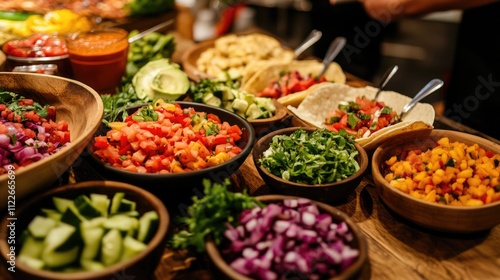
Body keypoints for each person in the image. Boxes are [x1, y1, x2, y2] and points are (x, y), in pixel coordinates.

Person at [329, 0, 500, 140]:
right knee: (460, 130)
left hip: (490, 62)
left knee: (479, 130)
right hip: (479, 36)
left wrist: (402, 3)